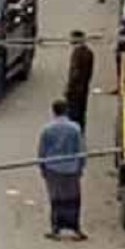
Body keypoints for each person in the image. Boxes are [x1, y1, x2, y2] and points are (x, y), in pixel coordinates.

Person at [37, 100, 87, 241]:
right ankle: (75, 229)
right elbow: (81, 150)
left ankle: (56, 229)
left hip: (53, 169)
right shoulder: (75, 128)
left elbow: (42, 151)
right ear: (66, 111)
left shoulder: (47, 129)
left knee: (56, 199)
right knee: (73, 199)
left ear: (53, 111)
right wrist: (81, 167)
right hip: (71, 169)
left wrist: (42, 168)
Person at [65, 31, 94, 136]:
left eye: (72, 38)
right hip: (84, 88)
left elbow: (75, 72)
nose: (70, 40)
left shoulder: (77, 53)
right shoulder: (89, 52)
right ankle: (80, 132)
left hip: (75, 89)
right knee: (81, 112)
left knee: (73, 112)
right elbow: (89, 72)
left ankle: (72, 133)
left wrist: (69, 87)